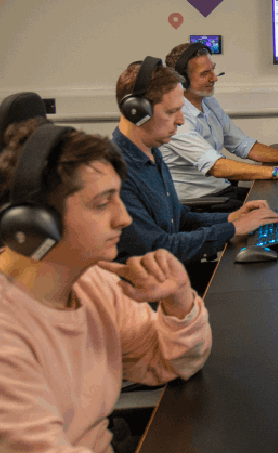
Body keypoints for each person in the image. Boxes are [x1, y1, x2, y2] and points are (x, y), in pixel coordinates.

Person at [0, 119, 212, 453]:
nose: (124, 218)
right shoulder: (8, 336)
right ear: (37, 224)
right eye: (102, 203)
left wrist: (179, 300)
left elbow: (173, 362)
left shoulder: (91, 281)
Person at [113, 58, 278, 292]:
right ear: (137, 111)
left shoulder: (152, 152)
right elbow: (160, 248)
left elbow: (179, 218)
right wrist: (232, 230)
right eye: (172, 111)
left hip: (174, 273)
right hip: (149, 294)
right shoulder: (116, 174)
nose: (181, 120)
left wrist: (232, 218)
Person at [162, 42, 278, 209]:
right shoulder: (175, 117)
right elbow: (216, 166)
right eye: (205, 73)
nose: (214, 78)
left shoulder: (208, 102)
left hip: (222, 191)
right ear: (182, 81)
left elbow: (242, 144)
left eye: (213, 69)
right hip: (199, 204)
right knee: (275, 208)